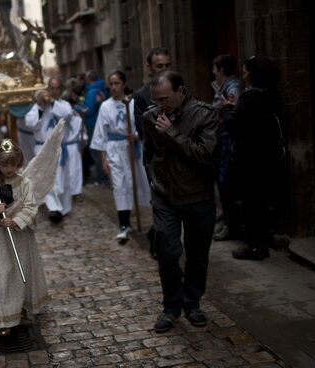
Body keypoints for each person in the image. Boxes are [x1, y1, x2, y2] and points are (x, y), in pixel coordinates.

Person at [142, 71, 219, 333]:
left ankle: (192, 303)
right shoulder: (149, 117)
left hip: (198, 196)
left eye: (165, 98)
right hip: (165, 197)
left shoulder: (205, 114)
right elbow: (148, 154)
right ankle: (171, 307)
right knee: (167, 252)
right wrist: (154, 183)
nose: (160, 105)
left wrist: (172, 133)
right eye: (156, 100)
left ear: (180, 91)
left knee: (197, 255)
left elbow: (204, 154)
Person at [0, 139, 48, 337]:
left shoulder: (25, 183)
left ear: (19, 163)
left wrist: (16, 221)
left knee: (21, 274)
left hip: (20, 238)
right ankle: (5, 318)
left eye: (12, 164)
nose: (9, 169)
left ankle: (21, 308)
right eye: (5, 165)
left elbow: (31, 207)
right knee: (4, 276)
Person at [222, 56, 283, 261]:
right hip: (268, 156)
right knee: (262, 202)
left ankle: (255, 246)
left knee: (251, 204)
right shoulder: (273, 94)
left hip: (249, 159)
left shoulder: (250, 97)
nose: (244, 74)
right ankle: (266, 238)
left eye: (246, 71)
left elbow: (232, 122)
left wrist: (230, 107)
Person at [91, 70, 150, 242]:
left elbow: (143, 124)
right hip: (114, 149)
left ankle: (140, 218)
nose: (114, 87)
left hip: (132, 148)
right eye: (111, 84)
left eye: (117, 83)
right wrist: (103, 159)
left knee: (135, 182)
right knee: (119, 185)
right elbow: (101, 133)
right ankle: (123, 223)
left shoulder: (132, 103)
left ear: (123, 84)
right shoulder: (105, 106)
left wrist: (137, 135)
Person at [133, 47, 172, 259]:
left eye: (167, 65)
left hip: (181, 157)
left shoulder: (179, 89)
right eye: (159, 66)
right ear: (149, 67)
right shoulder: (141, 96)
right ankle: (162, 245)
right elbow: (144, 132)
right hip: (156, 160)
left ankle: (158, 234)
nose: (164, 70)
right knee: (161, 203)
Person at [25, 78, 74, 223]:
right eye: (51, 88)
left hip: (59, 148)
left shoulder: (63, 105)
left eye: (57, 88)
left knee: (61, 180)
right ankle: (54, 209)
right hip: (43, 148)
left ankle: (61, 208)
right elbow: (31, 123)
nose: (54, 91)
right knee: (47, 178)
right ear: (48, 89)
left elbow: (67, 114)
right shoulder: (37, 107)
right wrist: (41, 106)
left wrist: (52, 103)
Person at [210, 54, 242, 242]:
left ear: (221, 69)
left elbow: (230, 112)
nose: (213, 73)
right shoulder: (221, 87)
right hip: (220, 139)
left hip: (227, 142)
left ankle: (231, 225)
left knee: (227, 185)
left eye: (214, 69)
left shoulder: (232, 88)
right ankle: (226, 221)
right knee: (221, 184)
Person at [83, 70, 108, 185]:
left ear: (88, 79)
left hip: (92, 123)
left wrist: (79, 109)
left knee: (95, 151)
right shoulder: (101, 89)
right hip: (99, 122)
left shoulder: (91, 92)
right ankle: (103, 176)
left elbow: (88, 110)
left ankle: (101, 178)